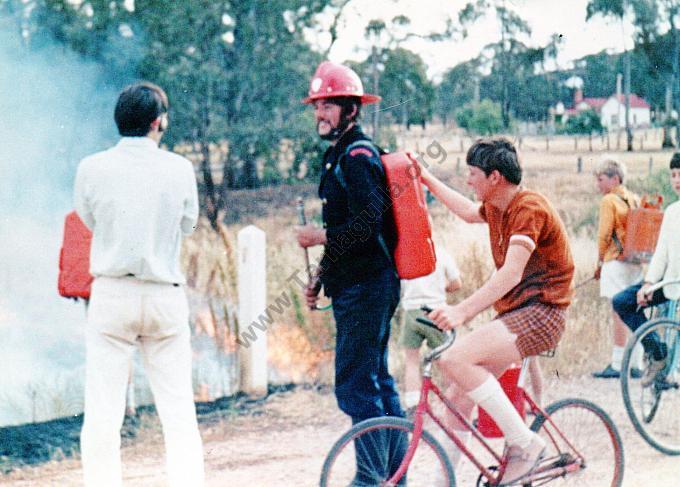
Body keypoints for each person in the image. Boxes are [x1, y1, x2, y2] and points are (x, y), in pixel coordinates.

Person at [420, 137, 574, 485]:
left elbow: (512, 272)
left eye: (472, 173)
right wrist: (426, 178)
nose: (468, 180)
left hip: (542, 314)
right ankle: (442, 481)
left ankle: (525, 443)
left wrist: (462, 311)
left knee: (454, 360)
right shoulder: (496, 206)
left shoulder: (528, 208)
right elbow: (463, 210)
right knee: (459, 392)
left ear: (494, 177)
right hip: (518, 314)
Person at [74, 82, 204, 487]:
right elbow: (190, 223)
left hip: (112, 292)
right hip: (164, 293)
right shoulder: (180, 168)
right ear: (158, 122)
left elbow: (87, 219)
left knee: (102, 412)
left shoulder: (90, 168)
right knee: (178, 411)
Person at [294, 61, 404, 483]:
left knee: (357, 385)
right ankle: (395, 475)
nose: (320, 114)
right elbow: (349, 226)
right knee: (375, 380)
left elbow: (367, 225)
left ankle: (371, 478)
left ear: (351, 110)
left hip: (368, 287)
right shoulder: (339, 155)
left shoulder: (358, 156)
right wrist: (321, 277)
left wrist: (319, 237)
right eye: (316, 106)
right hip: (359, 285)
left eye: (328, 106)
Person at [612, 152, 680, 387]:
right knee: (622, 301)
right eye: (673, 175)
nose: (677, 180)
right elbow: (661, 252)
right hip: (670, 283)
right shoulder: (672, 212)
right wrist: (649, 283)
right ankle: (657, 352)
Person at [592, 157, 644, 379]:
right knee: (637, 310)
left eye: (601, 179)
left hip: (615, 261)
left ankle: (617, 363)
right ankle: (637, 363)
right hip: (635, 261)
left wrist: (600, 262)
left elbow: (604, 234)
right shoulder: (635, 199)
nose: (598, 184)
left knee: (618, 311)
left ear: (615, 178)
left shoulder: (609, 201)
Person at [400, 240, 461, 410]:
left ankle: (413, 404)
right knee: (445, 359)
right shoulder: (441, 253)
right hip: (436, 312)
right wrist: (442, 289)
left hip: (411, 311)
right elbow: (457, 283)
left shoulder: (405, 254)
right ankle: (452, 402)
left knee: (411, 360)